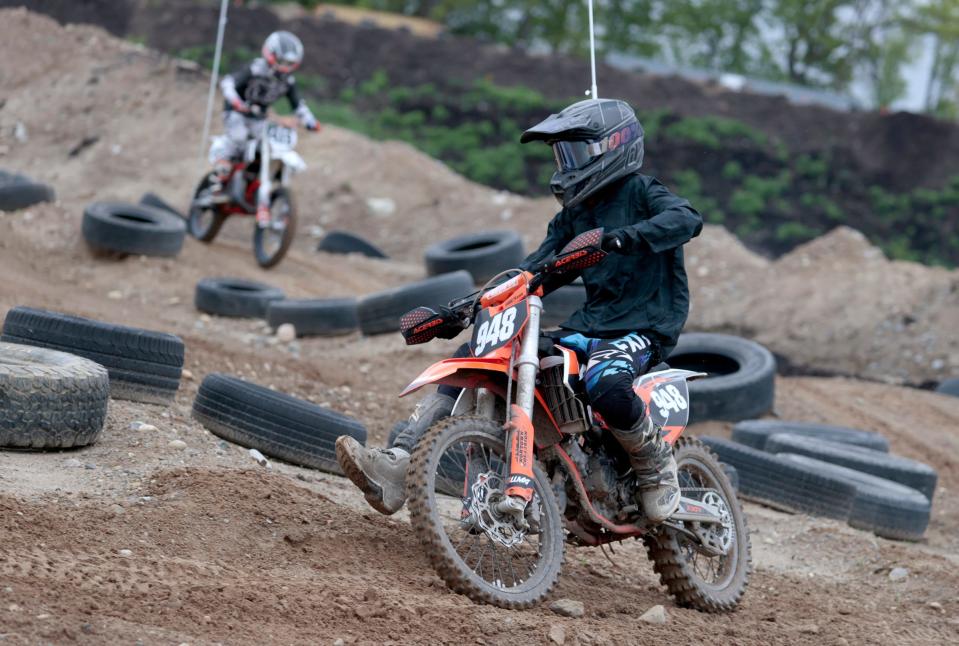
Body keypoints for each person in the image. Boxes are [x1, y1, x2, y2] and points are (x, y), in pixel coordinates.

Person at [336, 98, 703, 523]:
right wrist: (463, 308)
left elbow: (686, 219)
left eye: (577, 153)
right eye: (562, 154)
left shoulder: (643, 193)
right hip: (591, 326)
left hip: (642, 327)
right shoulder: (572, 218)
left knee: (605, 380)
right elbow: (532, 271)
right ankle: (399, 462)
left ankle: (656, 465)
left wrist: (622, 238)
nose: (567, 164)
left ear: (614, 146)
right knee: (481, 355)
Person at [207, 31, 319, 200]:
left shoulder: (287, 81)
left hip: (259, 118)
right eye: (282, 61)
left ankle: (252, 179)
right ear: (271, 54)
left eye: (289, 63)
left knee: (266, 145)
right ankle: (221, 174)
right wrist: (237, 102)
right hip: (237, 112)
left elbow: (299, 105)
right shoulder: (256, 68)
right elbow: (228, 83)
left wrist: (310, 121)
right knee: (239, 137)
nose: (284, 66)